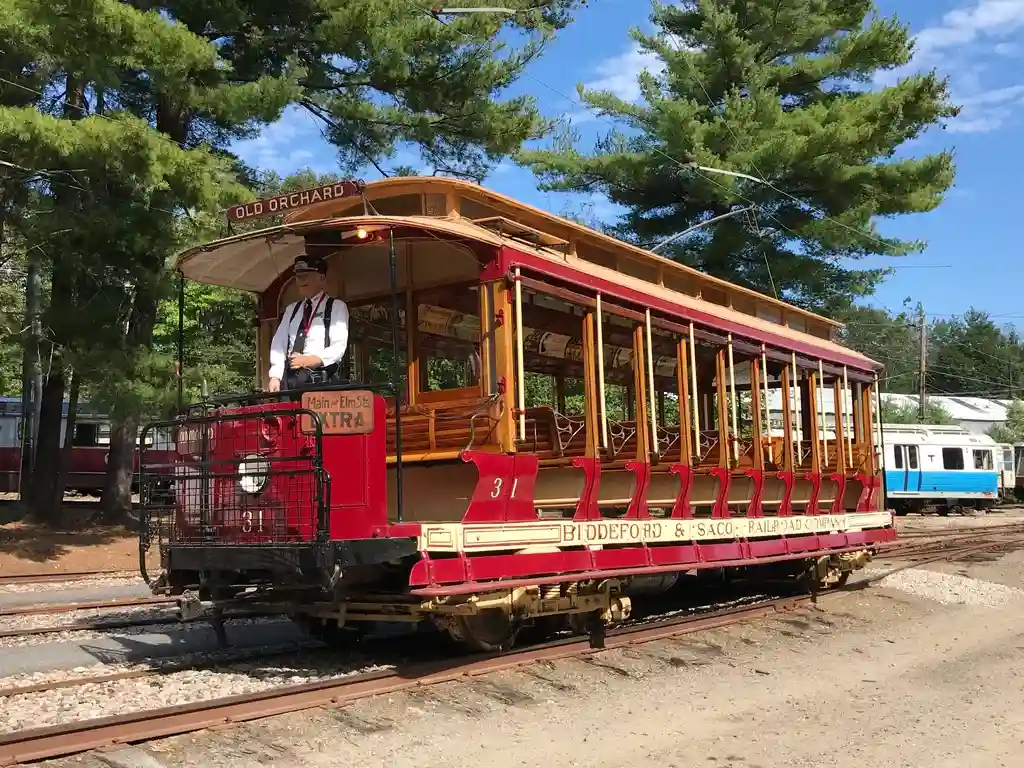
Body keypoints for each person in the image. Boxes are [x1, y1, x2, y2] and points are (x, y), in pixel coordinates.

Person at [267, 254, 349, 392]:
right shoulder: (292, 309)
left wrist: (309, 360)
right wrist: (275, 375)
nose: (300, 280)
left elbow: (338, 346)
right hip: (290, 378)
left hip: (320, 380)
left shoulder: (336, 306)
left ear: (321, 279)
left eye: (306, 275)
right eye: (298, 276)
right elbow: (278, 343)